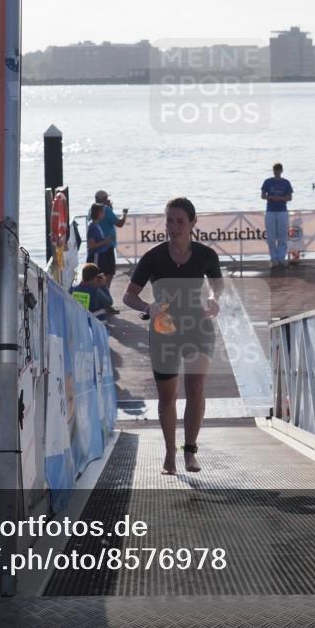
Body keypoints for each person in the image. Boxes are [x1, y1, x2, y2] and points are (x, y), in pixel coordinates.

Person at [122, 197, 223, 475]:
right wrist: (147, 307)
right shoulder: (153, 257)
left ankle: (190, 451)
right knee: (167, 397)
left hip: (198, 328)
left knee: (197, 388)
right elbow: (128, 295)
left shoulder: (206, 255)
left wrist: (214, 299)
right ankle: (169, 453)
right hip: (164, 331)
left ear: (192, 223)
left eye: (179, 221)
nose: (173, 226)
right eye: (169, 220)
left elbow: (217, 284)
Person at [92, 190, 128, 292]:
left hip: (98, 249)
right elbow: (119, 223)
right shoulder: (106, 209)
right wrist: (124, 214)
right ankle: (105, 298)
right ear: (104, 199)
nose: (109, 200)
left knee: (100, 274)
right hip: (106, 247)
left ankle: (103, 297)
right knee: (108, 274)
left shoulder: (92, 209)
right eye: (107, 198)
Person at [261, 163, 293, 267]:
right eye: (275, 170)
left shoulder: (286, 182)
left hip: (282, 211)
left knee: (282, 236)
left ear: (281, 171)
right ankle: (273, 258)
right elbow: (262, 196)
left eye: (278, 170)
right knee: (271, 236)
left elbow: (289, 197)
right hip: (270, 210)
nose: (277, 172)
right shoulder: (267, 181)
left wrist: (280, 199)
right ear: (273, 171)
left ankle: (281, 258)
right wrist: (270, 197)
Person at [86, 203, 113, 273]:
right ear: (99, 213)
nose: (104, 214)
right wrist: (105, 241)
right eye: (103, 212)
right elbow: (91, 245)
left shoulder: (96, 225)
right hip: (96, 256)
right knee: (95, 276)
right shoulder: (93, 227)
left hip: (100, 256)